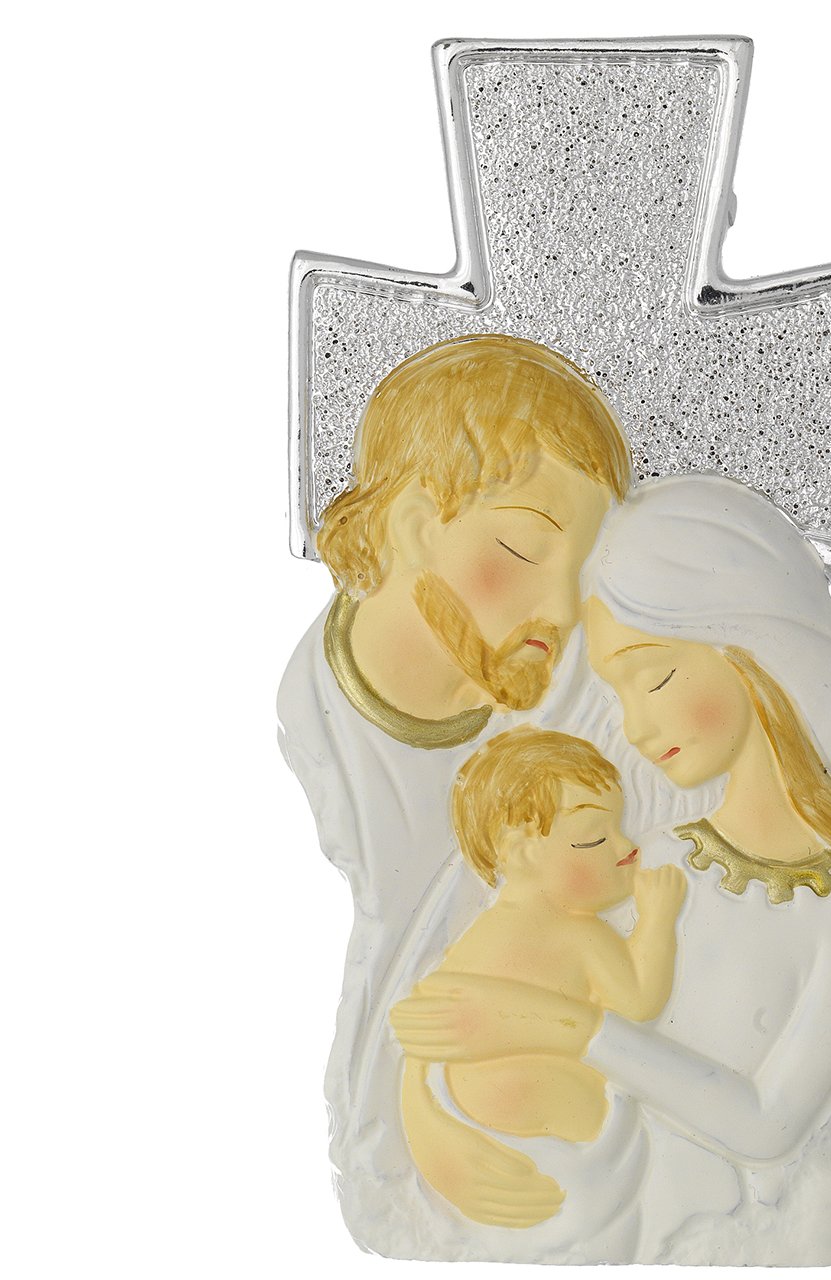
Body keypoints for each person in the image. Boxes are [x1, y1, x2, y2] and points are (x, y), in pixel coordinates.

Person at [393, 474, 831, 1265]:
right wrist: (424, 1121)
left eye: (658, 676)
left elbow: (773, 1125)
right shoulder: (639, 857)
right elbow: (466, 981)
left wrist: (565, 1029)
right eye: (619, 690)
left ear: (750, 649)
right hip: (571, 1200)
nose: (636, 727)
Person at [277, 334, 634, 1256]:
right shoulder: (318, 717)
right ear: (410, 523)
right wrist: (422, 1122)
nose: (564, 608)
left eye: (585, 568)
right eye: (525, 546)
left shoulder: (584, 717)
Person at [395, 727, 686, 1260]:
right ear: (521, 853)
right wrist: (657, 920)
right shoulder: (579, 933)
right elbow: (640, 1001)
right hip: (541, 1163)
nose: (627, 847)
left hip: (532, 1158)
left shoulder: (479, 934)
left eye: (620, 827)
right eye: (594, 838)